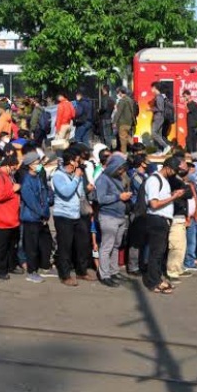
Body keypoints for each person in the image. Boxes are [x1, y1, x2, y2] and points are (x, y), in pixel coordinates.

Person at [52, 149, 96, 287]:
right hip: (63, 216)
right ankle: (65, 275)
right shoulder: (58, 175)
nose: (80, 163)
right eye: (78, 160)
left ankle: (81, 271)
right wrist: (77, 177)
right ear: (71, 162)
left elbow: (81, 194)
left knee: (82, 244)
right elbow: (66, 192)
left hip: (77, 214)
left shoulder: (78, 175)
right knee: (65, 246)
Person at [142, 156, 185, 295]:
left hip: (162, 220)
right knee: (156, 253)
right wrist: (174, 197)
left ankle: (157, 279)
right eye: (174, 170)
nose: (175, 173)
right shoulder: (154, 180)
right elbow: (154, 204)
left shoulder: (164, 181)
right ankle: (154, 282)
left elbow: (161, 199)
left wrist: (172, 194)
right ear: (167, 167)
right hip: (156, 219)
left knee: (159, 253)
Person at [95, 153, 132, 288]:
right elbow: (101, 199)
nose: (122, 171)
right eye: (120, 168)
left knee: (116, 246)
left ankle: (113, 271)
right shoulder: (102, 179)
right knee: (107, 247)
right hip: (108, 216)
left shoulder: (117, 178)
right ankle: (104, 274)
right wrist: (119, 197)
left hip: (120, 216)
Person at [19, 152, 54, 284]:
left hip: (41, 217)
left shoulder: (38, 177)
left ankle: (45, 266)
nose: (39, 165)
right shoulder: (27, 182)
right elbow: (32, 202)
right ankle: (31, 272)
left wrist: (46, 211)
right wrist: (43, 213)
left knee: (45, 243)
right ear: (30, 165)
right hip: (31, 218)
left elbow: (45, 193)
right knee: (31, 247)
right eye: (36, 163)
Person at [0, 155, 21, 280]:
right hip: (2, 218)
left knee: (10, 245)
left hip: (11, 217)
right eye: (13, 167)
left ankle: (10, 266)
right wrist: (13, 190)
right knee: (1, 247)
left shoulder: (8, 176)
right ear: (7, 165)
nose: (14, 170)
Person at [150, 82, 171, 155]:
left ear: (155, 88)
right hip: (160, 117)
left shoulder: (158, 97)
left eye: (152, 88)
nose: (151, 89)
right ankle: (159, 151)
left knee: (154, 133)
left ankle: (166, 146)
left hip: (158, 117)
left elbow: (160, 108)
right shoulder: (161, 96)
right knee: (158, 134)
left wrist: (151, 109)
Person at [113, 87, 136, 154]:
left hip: (122, 122)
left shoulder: (122, 101)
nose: (118, 94)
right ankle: (136, 149)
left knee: (122, 140)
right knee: (127, 137)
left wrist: (114, 122)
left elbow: (118, 112)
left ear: (120, 92)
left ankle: (124, 154)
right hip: (129, 122)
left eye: (118, 92)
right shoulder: (130, 100)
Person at [99, 85, 116, 149]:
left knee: (105, 135)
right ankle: (109, 148)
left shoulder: (105, 98)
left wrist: (99, 111)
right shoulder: (111, 99)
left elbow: (104, 108)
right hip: (109, 117)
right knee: (109, 134)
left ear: (104, 90)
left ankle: (107, 148)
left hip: (104, 118)